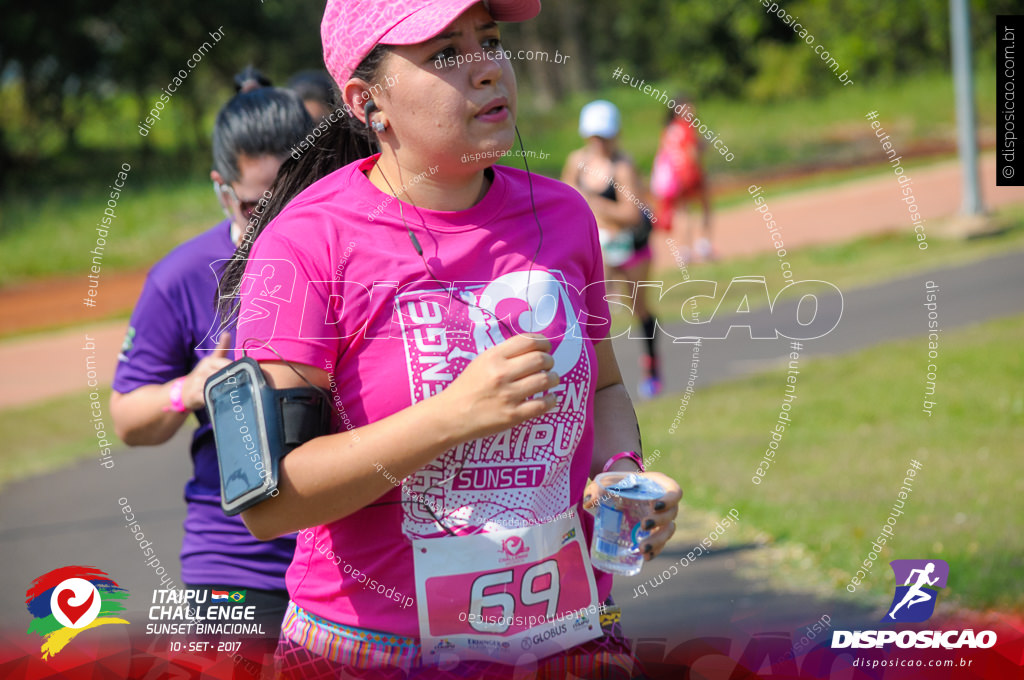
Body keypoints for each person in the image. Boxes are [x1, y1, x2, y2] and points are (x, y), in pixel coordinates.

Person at [218, 2, 683, 678]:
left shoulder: (563, 215)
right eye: (444, 54)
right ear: (366, 101)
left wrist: (619, 474)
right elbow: (271, 502)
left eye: (489, 40)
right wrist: (450, 417)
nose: (487, 67)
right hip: (372, 654)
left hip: (565, 637)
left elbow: (605, 384)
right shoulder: (305, 242)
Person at [110, 83, 314, 640]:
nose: (275, 220)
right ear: (222, 190)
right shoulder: (180, 277)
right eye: (255, 205)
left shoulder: (356, 254)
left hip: (354, 562)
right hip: (236, 566)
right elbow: (127, 419)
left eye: (292, 195)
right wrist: (190, 390)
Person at [562, 99, 662, 400]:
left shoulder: (623, 167)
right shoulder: (576, 161)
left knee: (638, 308)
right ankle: (592, 378)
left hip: (630, 248)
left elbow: (631, 214)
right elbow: (565, 200)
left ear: (615, 134)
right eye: (595, 136)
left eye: (604, 136)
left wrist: (594, 205)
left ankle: (652, 370)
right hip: (598, 248)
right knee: (589, 313)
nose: (599, 143)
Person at [651, 92, 714, 262]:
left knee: (683, 212)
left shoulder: (668, 130)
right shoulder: (687, 127)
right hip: (691, 175)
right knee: (704, 208)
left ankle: (685, 251)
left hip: (676, 178)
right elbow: (691, 152)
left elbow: (664, 155)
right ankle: (704, 246)